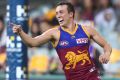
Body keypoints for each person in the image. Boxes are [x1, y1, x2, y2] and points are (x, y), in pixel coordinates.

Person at [12, 1, 112, 80]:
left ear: (71, 14)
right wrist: (21, 32)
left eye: (61, 12)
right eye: (56, 13)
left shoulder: (87, 30)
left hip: (92, 76)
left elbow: (106, 45)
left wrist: (106, 54)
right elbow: (32, 43)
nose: (58, 15)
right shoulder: (54, 33)